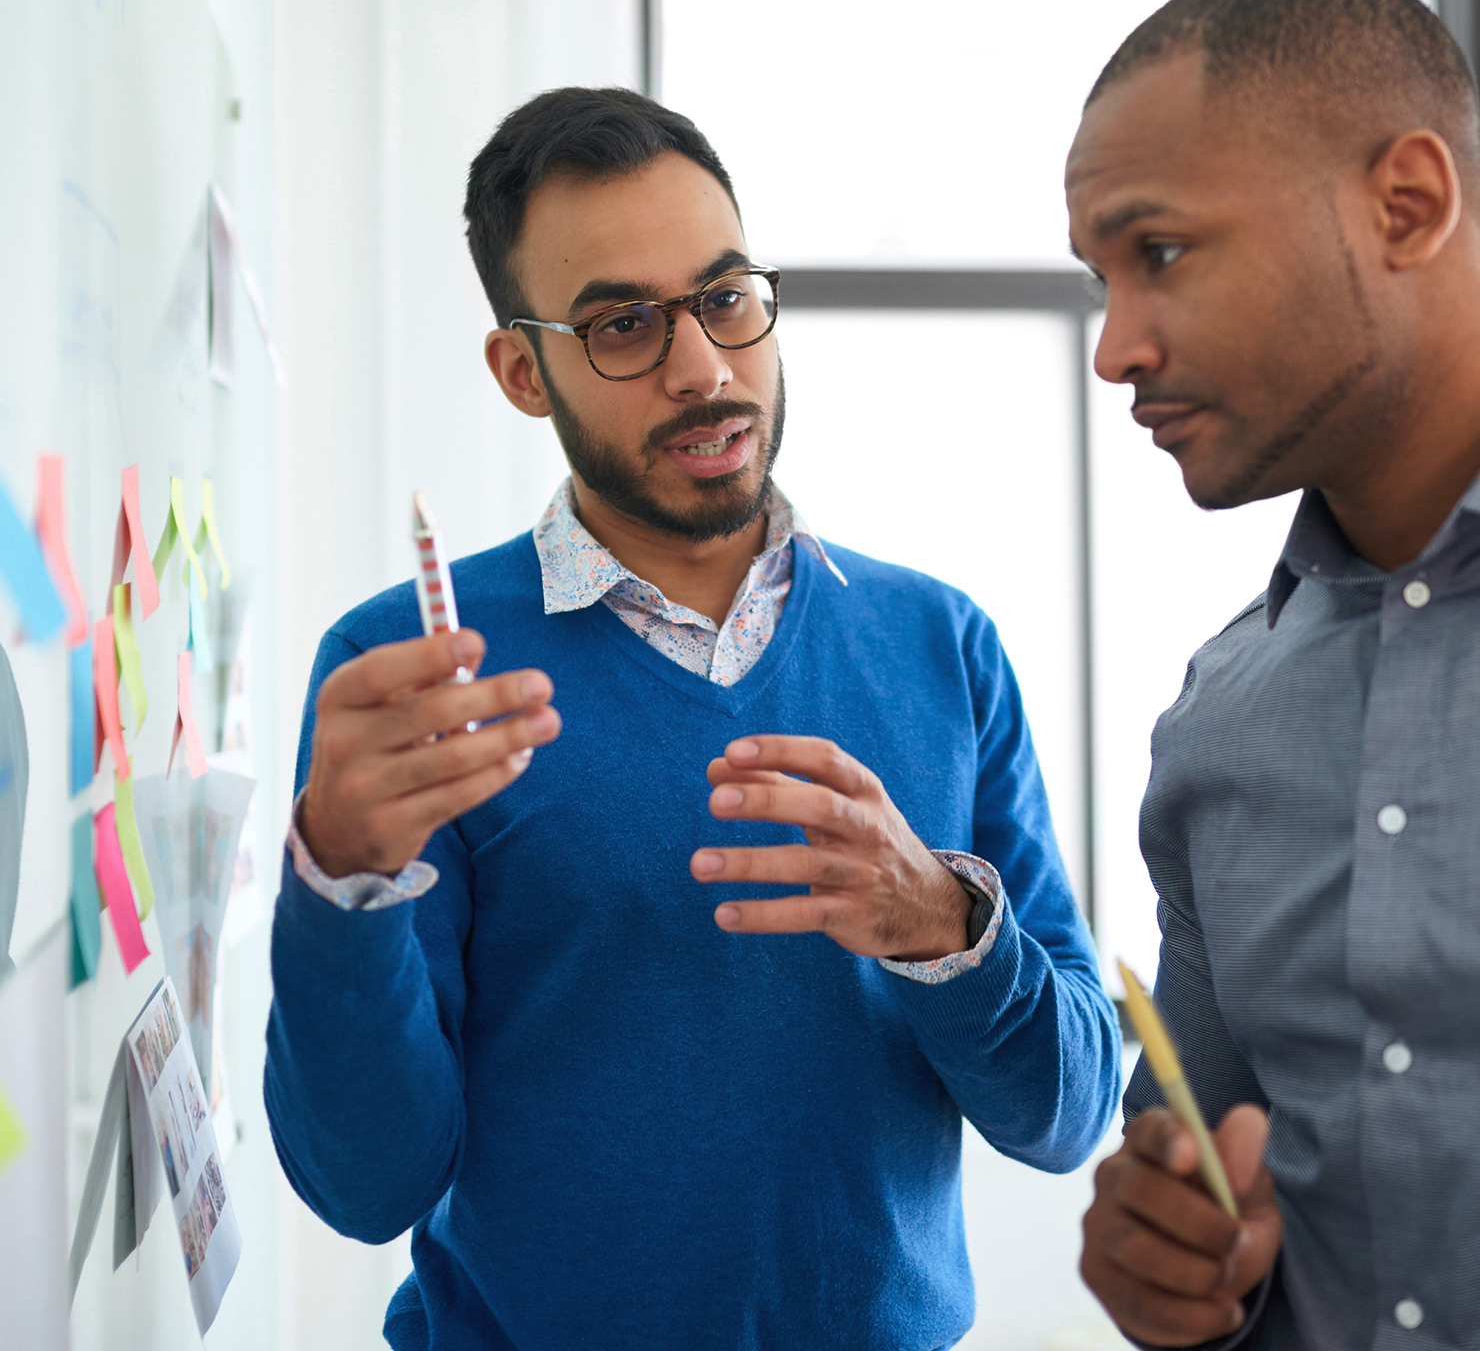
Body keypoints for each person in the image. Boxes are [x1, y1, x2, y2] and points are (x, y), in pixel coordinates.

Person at [264, 87, 1119, 1350]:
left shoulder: (942, 645)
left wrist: (940, 923)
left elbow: (1066, 1113)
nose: (704, 368)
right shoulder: (411, 672)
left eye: (725, 298)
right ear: (521, 370)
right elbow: (366, 1183)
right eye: (622, 324)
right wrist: (339, 875)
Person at [1068, 0, 1480, 1348]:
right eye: (1101, 278)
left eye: (1162, 252)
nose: (1116, 347)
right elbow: (1209, 1199)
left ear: (1405, 205)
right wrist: (1180, 1269)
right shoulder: (1219, 726)